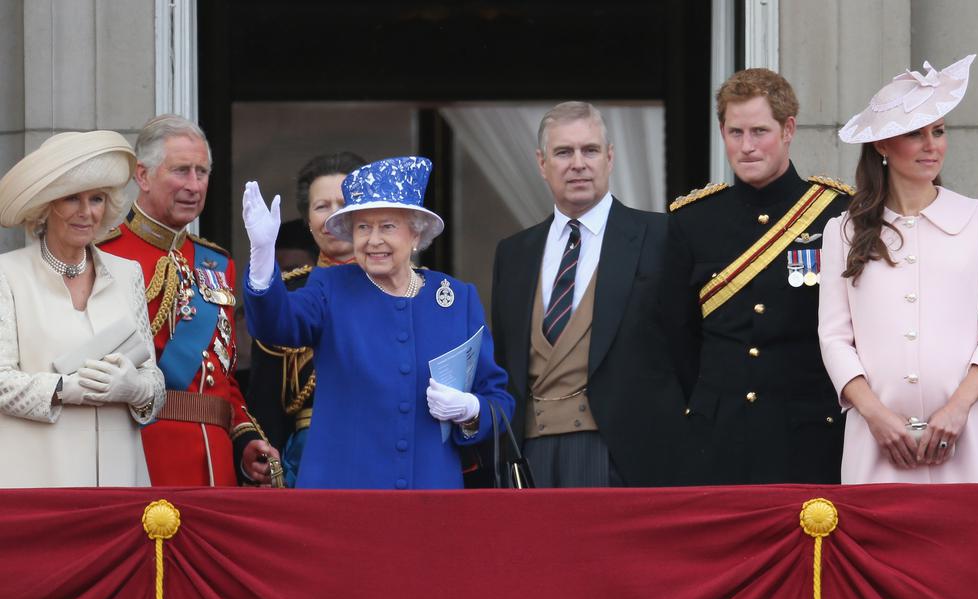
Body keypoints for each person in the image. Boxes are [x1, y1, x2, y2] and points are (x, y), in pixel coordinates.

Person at [241, 156, 513, 489]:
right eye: (363, 227)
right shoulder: (331, 287)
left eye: (387, 226)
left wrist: (471, 410)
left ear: (415, 233)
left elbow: (498, 401)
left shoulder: (456, 298)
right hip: (342, 495)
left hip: (432, 497)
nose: (373, 240)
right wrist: (262, 256)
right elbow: (276, 324)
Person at [818, 55, 978, 483]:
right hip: (876, 440)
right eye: (915, 133)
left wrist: (958, 408)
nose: (932, 145)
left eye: (939, 131)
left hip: (963, 435)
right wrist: (875, 416)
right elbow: (834, 337)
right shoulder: (843, 231)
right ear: (882, 145)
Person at [661, 68, 853, 484]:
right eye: (735, 132)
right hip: (719, 436)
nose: (746, 147)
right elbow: (678, 338)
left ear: (788, 129)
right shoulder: (692, 221)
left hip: (809, 433)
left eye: (759, 131)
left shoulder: (837, 214)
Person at [490, 102, 687, 487]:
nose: (577, 163)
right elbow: (505, 364)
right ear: (541, 163)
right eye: (563, 152)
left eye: (590, 150)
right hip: (530, 455)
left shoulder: (661, 236)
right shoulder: (513, 253)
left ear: (610, 158)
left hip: (624, 454)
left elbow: (686, 352)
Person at [98, 114, 277, 486]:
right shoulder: (104, 256)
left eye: (202, 172)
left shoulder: (217, 262)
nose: (194, 185)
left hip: (215, 464)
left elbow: (222, 376)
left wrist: (244, 439)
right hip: (140, 453)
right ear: (143, 176)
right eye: (181, 171)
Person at [0, 130, 165, 486]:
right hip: (38, 480)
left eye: (96, 199)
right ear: (46, 207)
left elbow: (153, 378)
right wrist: (64, 389)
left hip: (121, 480)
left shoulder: (127, 274)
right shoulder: (7, 274)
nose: (86, 212)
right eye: (71, 199)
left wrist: (133, 387)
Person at [244, 151, 364, 486]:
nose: (333, 216)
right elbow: (265, 393)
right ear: (308, 220)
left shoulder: (405, 285)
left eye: (344, 203)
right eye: (321, 206)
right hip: (307, 457)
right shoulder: (286, 293)